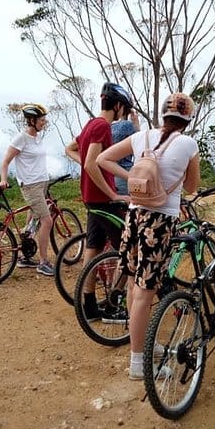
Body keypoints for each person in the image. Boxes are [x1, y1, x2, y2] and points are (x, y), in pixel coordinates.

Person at [97, 92, 200, 381]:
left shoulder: (140, 136)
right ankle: (137, 363)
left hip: (134, 217)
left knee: (134, 285)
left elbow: (103, 159)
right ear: (188, 119)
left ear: (163, 115)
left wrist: (133, 178)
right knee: (146, 292)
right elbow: (192, 187)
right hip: (160, 221)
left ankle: (140, 345)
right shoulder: (188, 144)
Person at [65, 82, 132, 320]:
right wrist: (113, 194)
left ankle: (90, 305)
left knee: (93, 249)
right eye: (124, 108)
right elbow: (90, 163)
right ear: (118, 105)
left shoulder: (91, 124)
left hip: (90, 199)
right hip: (104, 200)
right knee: (130, 249)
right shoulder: (103, 126)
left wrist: (89, 164)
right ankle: (114, 306)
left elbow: (70, 149)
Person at [0, 103, 55, 276]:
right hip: (31, 186)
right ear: (31, 120)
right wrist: (3, 179)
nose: (44, 122)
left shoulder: (37, 137)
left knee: (32, 221)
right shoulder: (21, 138)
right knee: (47, 221)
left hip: (42, 183)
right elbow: (5, 161)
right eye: (41, 120)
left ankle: (24, 256)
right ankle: (43, 262)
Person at [111, 109, 141, 195]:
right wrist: (136, 123)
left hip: (109, 173)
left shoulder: (109, 126)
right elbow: (139, 145)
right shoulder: (128, 125)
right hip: (124, 172)